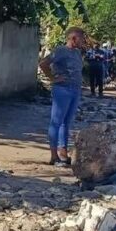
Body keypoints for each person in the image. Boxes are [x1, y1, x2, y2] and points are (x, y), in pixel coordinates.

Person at [39, 27, 86, 166]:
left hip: (75, 89)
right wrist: (53, 78)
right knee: (56, 121)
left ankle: (63, 152)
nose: (83, 41)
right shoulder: (60, 51)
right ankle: (54, 155)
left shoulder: (77, 53)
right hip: (63, 89)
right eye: (81, 38)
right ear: (73, 38)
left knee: (67, 122)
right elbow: (43, 64)